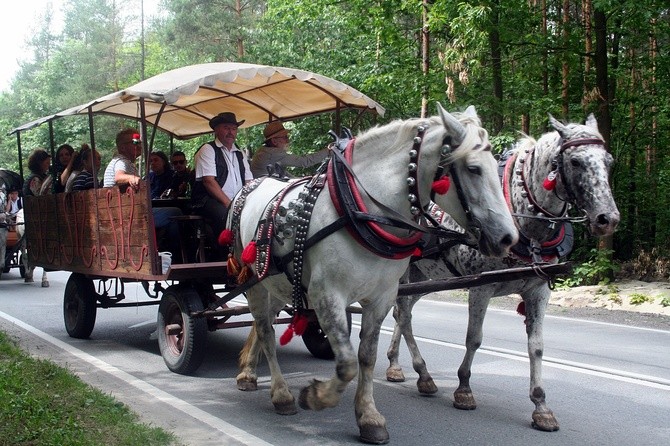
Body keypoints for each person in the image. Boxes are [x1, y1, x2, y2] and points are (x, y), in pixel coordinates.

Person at [103, 128, 182, 257]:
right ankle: (175, 255)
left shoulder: (124, 162)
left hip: (124, 212)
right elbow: (118, 177)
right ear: (123, 147)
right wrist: (131, 178)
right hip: (127, 215)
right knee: (175, 213)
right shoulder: (121, 162)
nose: (139, 145)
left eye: (139, 142)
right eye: (135, 142)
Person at [191, 112, 253, 238]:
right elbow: (209, 181)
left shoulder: (239, 153)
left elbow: (249, 181)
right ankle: (224, 253)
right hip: (208, 200)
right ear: (216, 130)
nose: (231, 132)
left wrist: (249, 202)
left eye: (234, 129)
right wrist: (229, 205)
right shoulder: (208, 149)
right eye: (226, 128)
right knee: (225, 215)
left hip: (235, 201)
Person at [250, 121, 329, 178]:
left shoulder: (263, 151)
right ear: (274, 141)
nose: (288, 140)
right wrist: (328, 150)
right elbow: (304, 161)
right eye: (285, 137)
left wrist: (298, 179)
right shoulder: (274, 153)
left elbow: (282, 172)